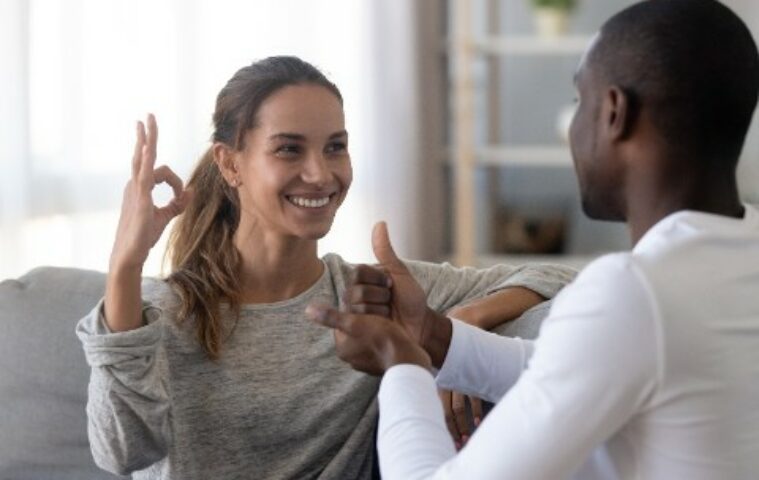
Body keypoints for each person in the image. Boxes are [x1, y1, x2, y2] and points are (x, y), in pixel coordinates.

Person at [307, 0, 759, 478]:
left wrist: (400, 362)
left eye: (577, 102)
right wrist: (432, 334)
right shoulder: (733, 260)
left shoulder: (633, 292)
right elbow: (571, 365)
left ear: (613, 113)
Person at [75, 56, 576, 479]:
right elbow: (122, 451)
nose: (321, 173)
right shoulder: (168, 312)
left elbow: (560, 278)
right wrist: (125, 265)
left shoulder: (371, 295)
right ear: (230, 164)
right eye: (289, 149)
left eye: (335, 146)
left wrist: (451, 331)